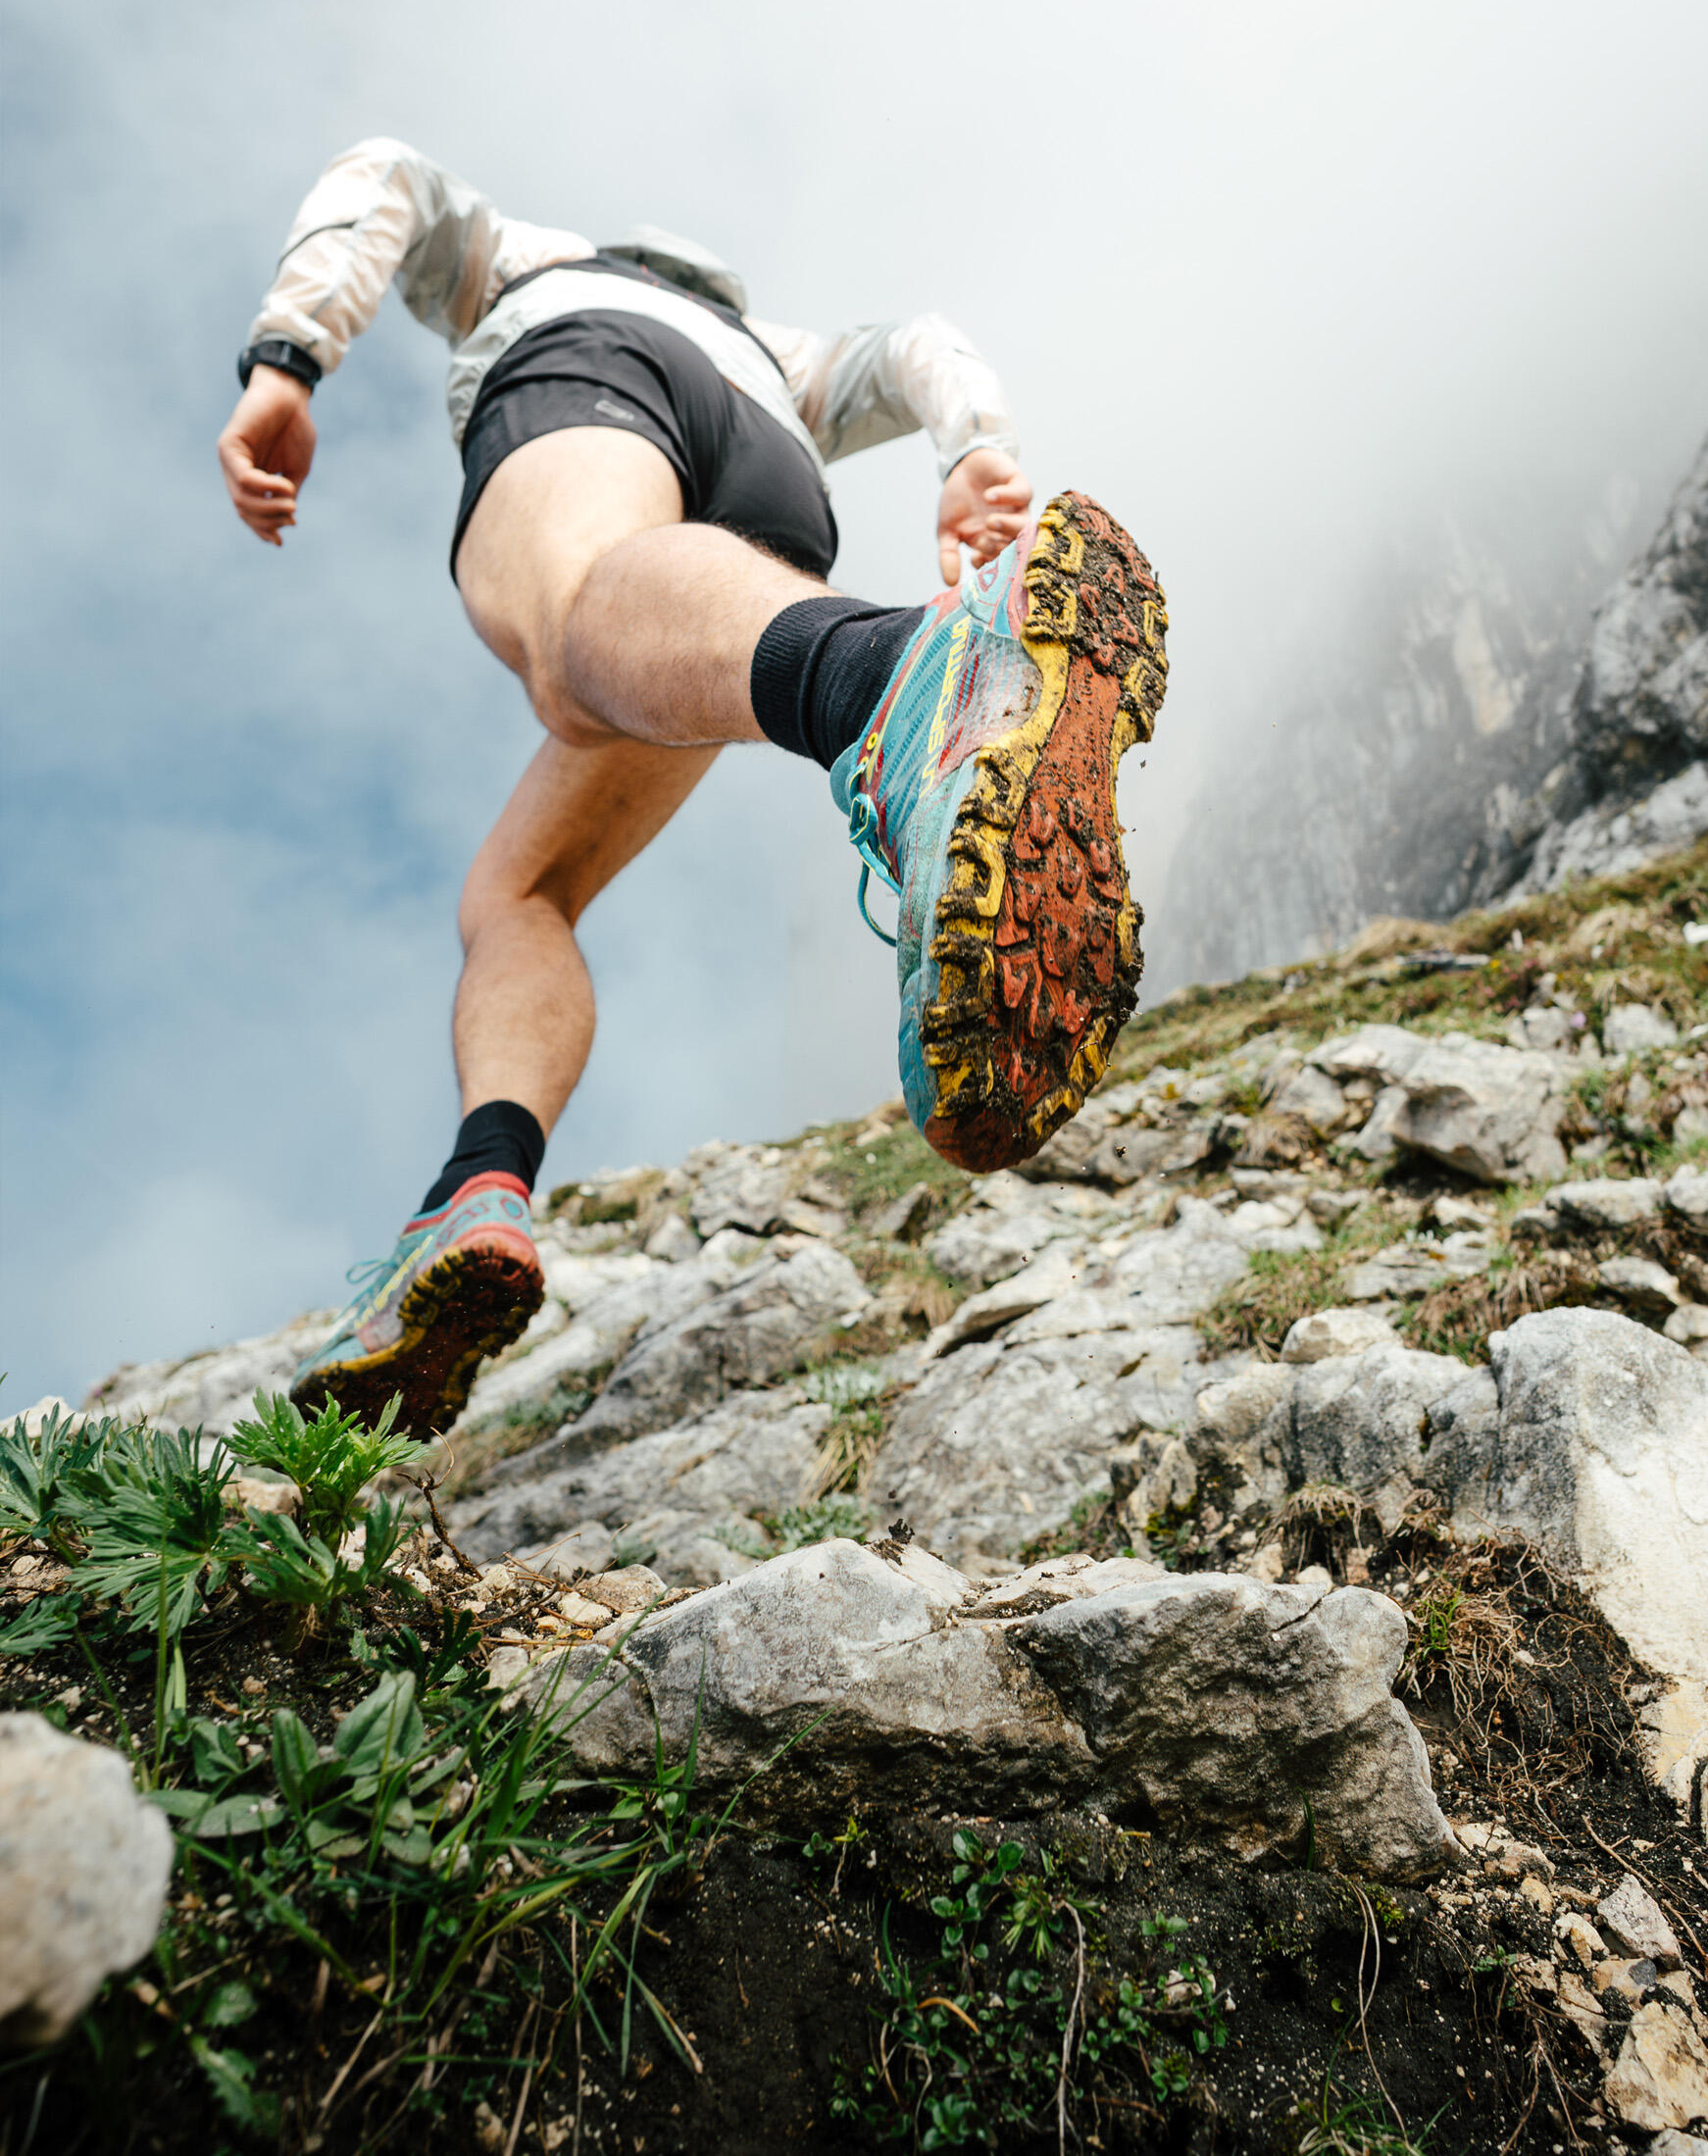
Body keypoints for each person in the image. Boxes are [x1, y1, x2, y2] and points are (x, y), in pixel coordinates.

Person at [217, 139, 1167, 1437]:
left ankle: (897, 684)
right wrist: (974, 446)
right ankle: (477, 1187)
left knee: (569, 631)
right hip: (777, 486)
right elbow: (919, 346)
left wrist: (286, 359)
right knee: (518, 889)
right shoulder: (785, 357)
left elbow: (387, 176)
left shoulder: (529, 266)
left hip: (592, 373)